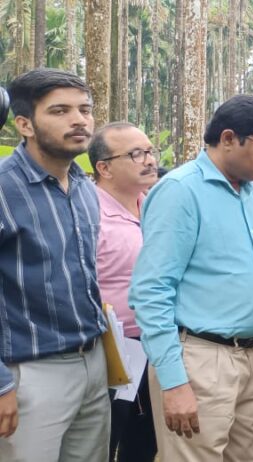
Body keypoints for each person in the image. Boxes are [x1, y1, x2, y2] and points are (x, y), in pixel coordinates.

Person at [129, 94, 253, 461]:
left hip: (249, 355)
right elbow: (151, 291)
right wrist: (174, 380)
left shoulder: (248, 192)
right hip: (200, 359)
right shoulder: (181, 191)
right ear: (228, 138)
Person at [0, 68, 109, 462]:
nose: (79, 120)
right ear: (24, 123)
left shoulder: (83, 187)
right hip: (29, 372)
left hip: (92, 363)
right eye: (60, 111)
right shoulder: (4, 189)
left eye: (85, 109)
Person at [88, 122, 160, 462]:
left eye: (149, 151)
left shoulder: (157, 207)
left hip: (158, 346)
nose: (148, 160)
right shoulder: (89, 214)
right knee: (103, 442)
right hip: (110, 353)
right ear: (103, 168)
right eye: (135, 154)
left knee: (144, 446)